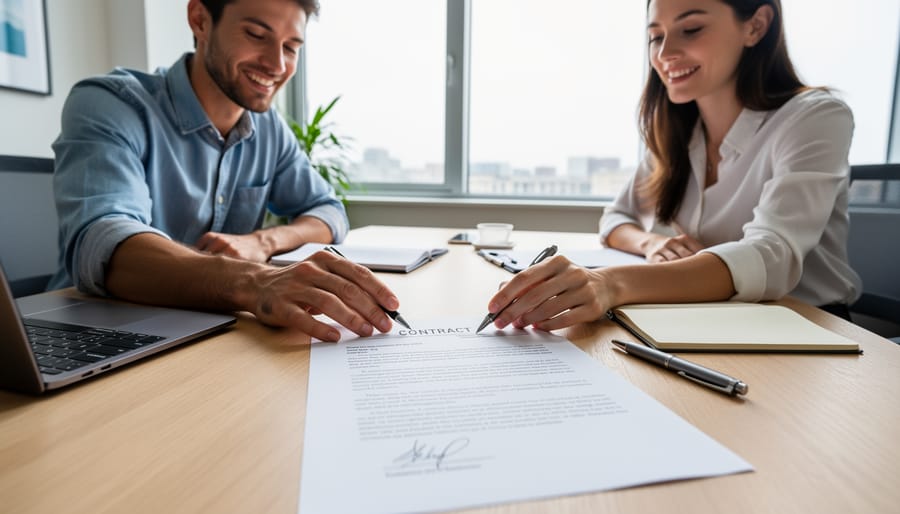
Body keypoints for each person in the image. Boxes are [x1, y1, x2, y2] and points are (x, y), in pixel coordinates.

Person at [483, 0, 862, 332]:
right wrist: (653, 243)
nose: (665, 52)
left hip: (807, 324)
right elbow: (615, 219)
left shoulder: (815, 117)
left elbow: (771, 257)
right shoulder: (678, 132)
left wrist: (609, 284)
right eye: (655, 36)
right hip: (709, 318)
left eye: (691, 29)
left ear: (756, 26)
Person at [49, 0, 400, 342]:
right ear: (200, 20)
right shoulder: (112, 104)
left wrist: (262, 241)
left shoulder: (269, 129)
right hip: (92, 329)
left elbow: (329, 212)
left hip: (208, 331)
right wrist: (254, 282)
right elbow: (104, 244)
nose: (277, 64)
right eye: (256, 35)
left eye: (291, 47)